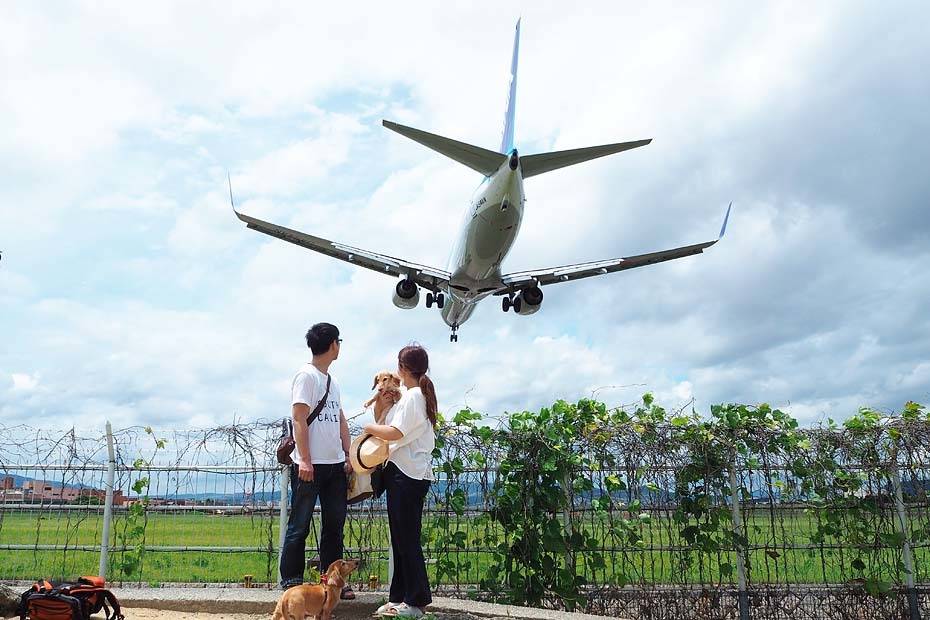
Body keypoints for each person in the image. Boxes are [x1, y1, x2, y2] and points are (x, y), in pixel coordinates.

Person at [279, 322, 355, 599]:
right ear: (333, 344)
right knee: (299, 525)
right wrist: (306, 461)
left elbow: (340, 419)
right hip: (310, 466)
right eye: (339, 342)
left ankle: (332, 583)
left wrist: (348, 453)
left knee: (334, 527)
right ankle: (292, 582)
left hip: (335, 464)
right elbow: (299, 418)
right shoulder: (306, 376)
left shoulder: (332, 382)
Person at [364, 344, 437, 618]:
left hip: (408, 474)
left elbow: (394, 432)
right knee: (400, 538)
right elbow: (390, 424)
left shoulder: (414, 397)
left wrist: (367, 428)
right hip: (403, 472)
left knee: (407, 539)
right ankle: (399, 597)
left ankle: (416, 601)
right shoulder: (411, 395)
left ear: (402, 369)